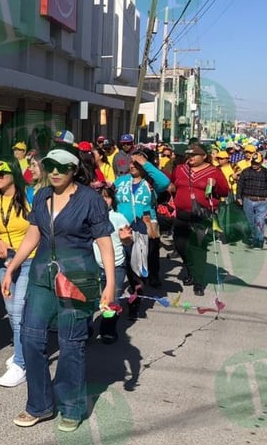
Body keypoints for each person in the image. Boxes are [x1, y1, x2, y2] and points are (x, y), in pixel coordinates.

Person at [2, 144, 116, 432]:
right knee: (30, 338)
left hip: (78, 280)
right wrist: (12, 267)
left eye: (62, 167)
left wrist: (111, 285)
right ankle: (39, 405)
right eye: (51, 165)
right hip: (42, 277)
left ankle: (72, 406)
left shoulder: (91, 199)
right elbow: (33, 233)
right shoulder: (41, 196)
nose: (55, 172)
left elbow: (104, 243)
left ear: (74, 169)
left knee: (70, 345)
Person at [0, 159, 32, 388]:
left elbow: (40, 228)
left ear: (13, 173)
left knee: (18, 310)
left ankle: (21, 364)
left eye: (1, 173)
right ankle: (22, 350)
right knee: (12, 313)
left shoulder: (29, 197)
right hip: (5, 260)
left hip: (30, 260)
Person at [169, 142, 229, 296]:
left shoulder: (214, 171)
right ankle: (190, 269)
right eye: (189, 154)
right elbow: (171, 184)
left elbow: (224, 192)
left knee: (198, 248)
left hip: (202, 216)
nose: (190, 158)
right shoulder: (180, 169)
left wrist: (215, 186)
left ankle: (199, 281)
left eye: (194, 155)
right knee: (180, 245)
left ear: (204, 156)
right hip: (182, 214)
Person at [114, 149, 170, 304]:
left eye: (136, 163)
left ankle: (144, 283)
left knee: (145, 257)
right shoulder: (121, 181)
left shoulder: (151, 184)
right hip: (123, 228)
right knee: (124, 260)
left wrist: (145, 163)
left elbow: (165, 182)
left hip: (145, 227)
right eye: (131, 162)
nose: (133, 165)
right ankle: (132, 287)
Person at [95, 185, 133, 344]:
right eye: (100, 197)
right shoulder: (90, 217)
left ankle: (108, 329)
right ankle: (86, 328)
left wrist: (126, 239)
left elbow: (129, 240)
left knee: (112, 299)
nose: (104, 200)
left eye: (107, 197)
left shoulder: (118, 217)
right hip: (95, 265)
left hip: (116, 265)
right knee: (94, 298)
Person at [236, 152, 267, 248]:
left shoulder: (266, 173)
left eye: (257, 163)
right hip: (248, 200)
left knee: (260, 221)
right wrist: (238, 197)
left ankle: (259, 241)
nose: (254, 165)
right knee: (249, 221)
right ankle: (253, 237)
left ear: (261, 162)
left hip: (262, 201)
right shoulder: (245, 172)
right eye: (253, 163)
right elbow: (240, 185)